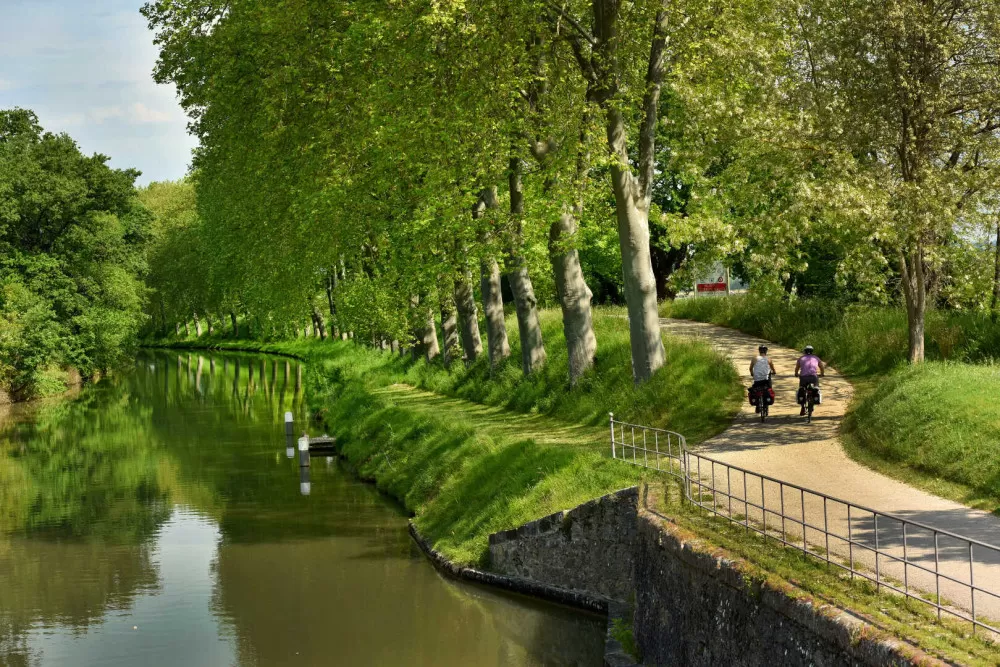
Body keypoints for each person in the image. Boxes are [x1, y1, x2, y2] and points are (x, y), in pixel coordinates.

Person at [794, 345, 826, 416]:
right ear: (812, 351)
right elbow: (821, 367)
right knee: (815, 388)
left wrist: (796, 374)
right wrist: (822, 374)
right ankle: (813, 403)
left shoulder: (801, 358)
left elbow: (797, 368)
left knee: (802, 389)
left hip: (803, 378)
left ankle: (802, 407)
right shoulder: (816, 358)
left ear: (805, 351)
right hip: (813, 377)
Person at [749, 345, 776, 412]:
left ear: (759, 351)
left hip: (757, 379)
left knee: (757, 390)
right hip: (765, 380)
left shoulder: (754, 358)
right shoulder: (769, 359)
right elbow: (772, 368)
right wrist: (774, 372)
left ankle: (757, 405)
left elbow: (750, 368)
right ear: (766, 351)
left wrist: (752, 373)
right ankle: (766, 405)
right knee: (768, 389)